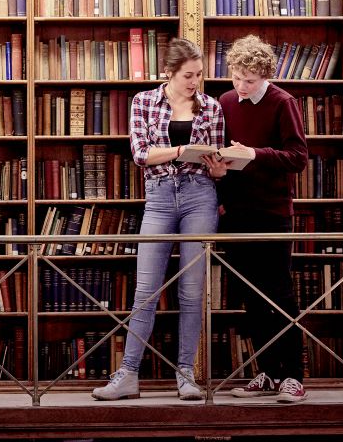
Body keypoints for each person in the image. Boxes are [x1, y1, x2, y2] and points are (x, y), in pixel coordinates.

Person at [92, 38, 222, 401]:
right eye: (187, 76)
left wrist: (218, 166)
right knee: (146, 291)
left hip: (200, 195)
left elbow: (215, 156)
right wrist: (181, 151)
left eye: (198, 75)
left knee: (192, 291)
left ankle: (186, 375)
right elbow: (140, 154)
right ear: (169, 72)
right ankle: (129, 374)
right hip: (160, 198)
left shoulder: (210, 107)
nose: (194, 82)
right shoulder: (144, 102)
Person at [203, 34, 309, 403]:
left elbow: (298, 157)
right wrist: (218, 169)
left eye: (249, 80)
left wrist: (255, 153)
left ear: (264, 75)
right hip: (237, 211)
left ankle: (293, 376)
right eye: (236, 78)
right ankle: (266, 372)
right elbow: (224, 152)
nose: (241, 87)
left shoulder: (283, 102)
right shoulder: (226, 101)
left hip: (273, 212)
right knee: (250, 297)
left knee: (279, 294)